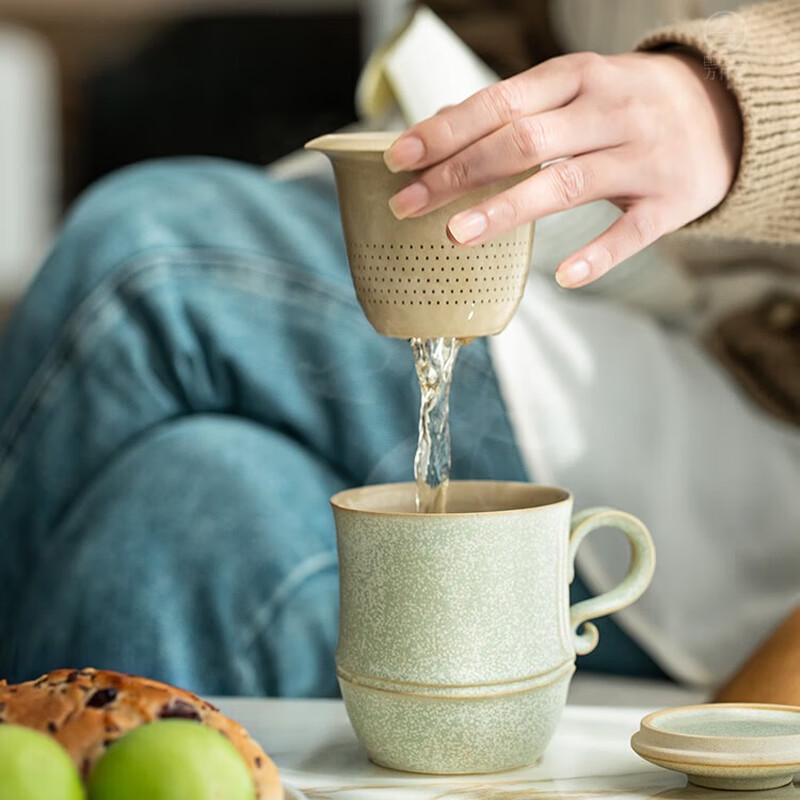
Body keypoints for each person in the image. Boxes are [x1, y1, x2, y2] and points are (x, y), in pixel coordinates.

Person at [0, 0, 797, 697]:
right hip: (592, 287)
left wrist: (733, 103)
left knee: (142, 266)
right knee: (181, 503)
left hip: (752, 412)